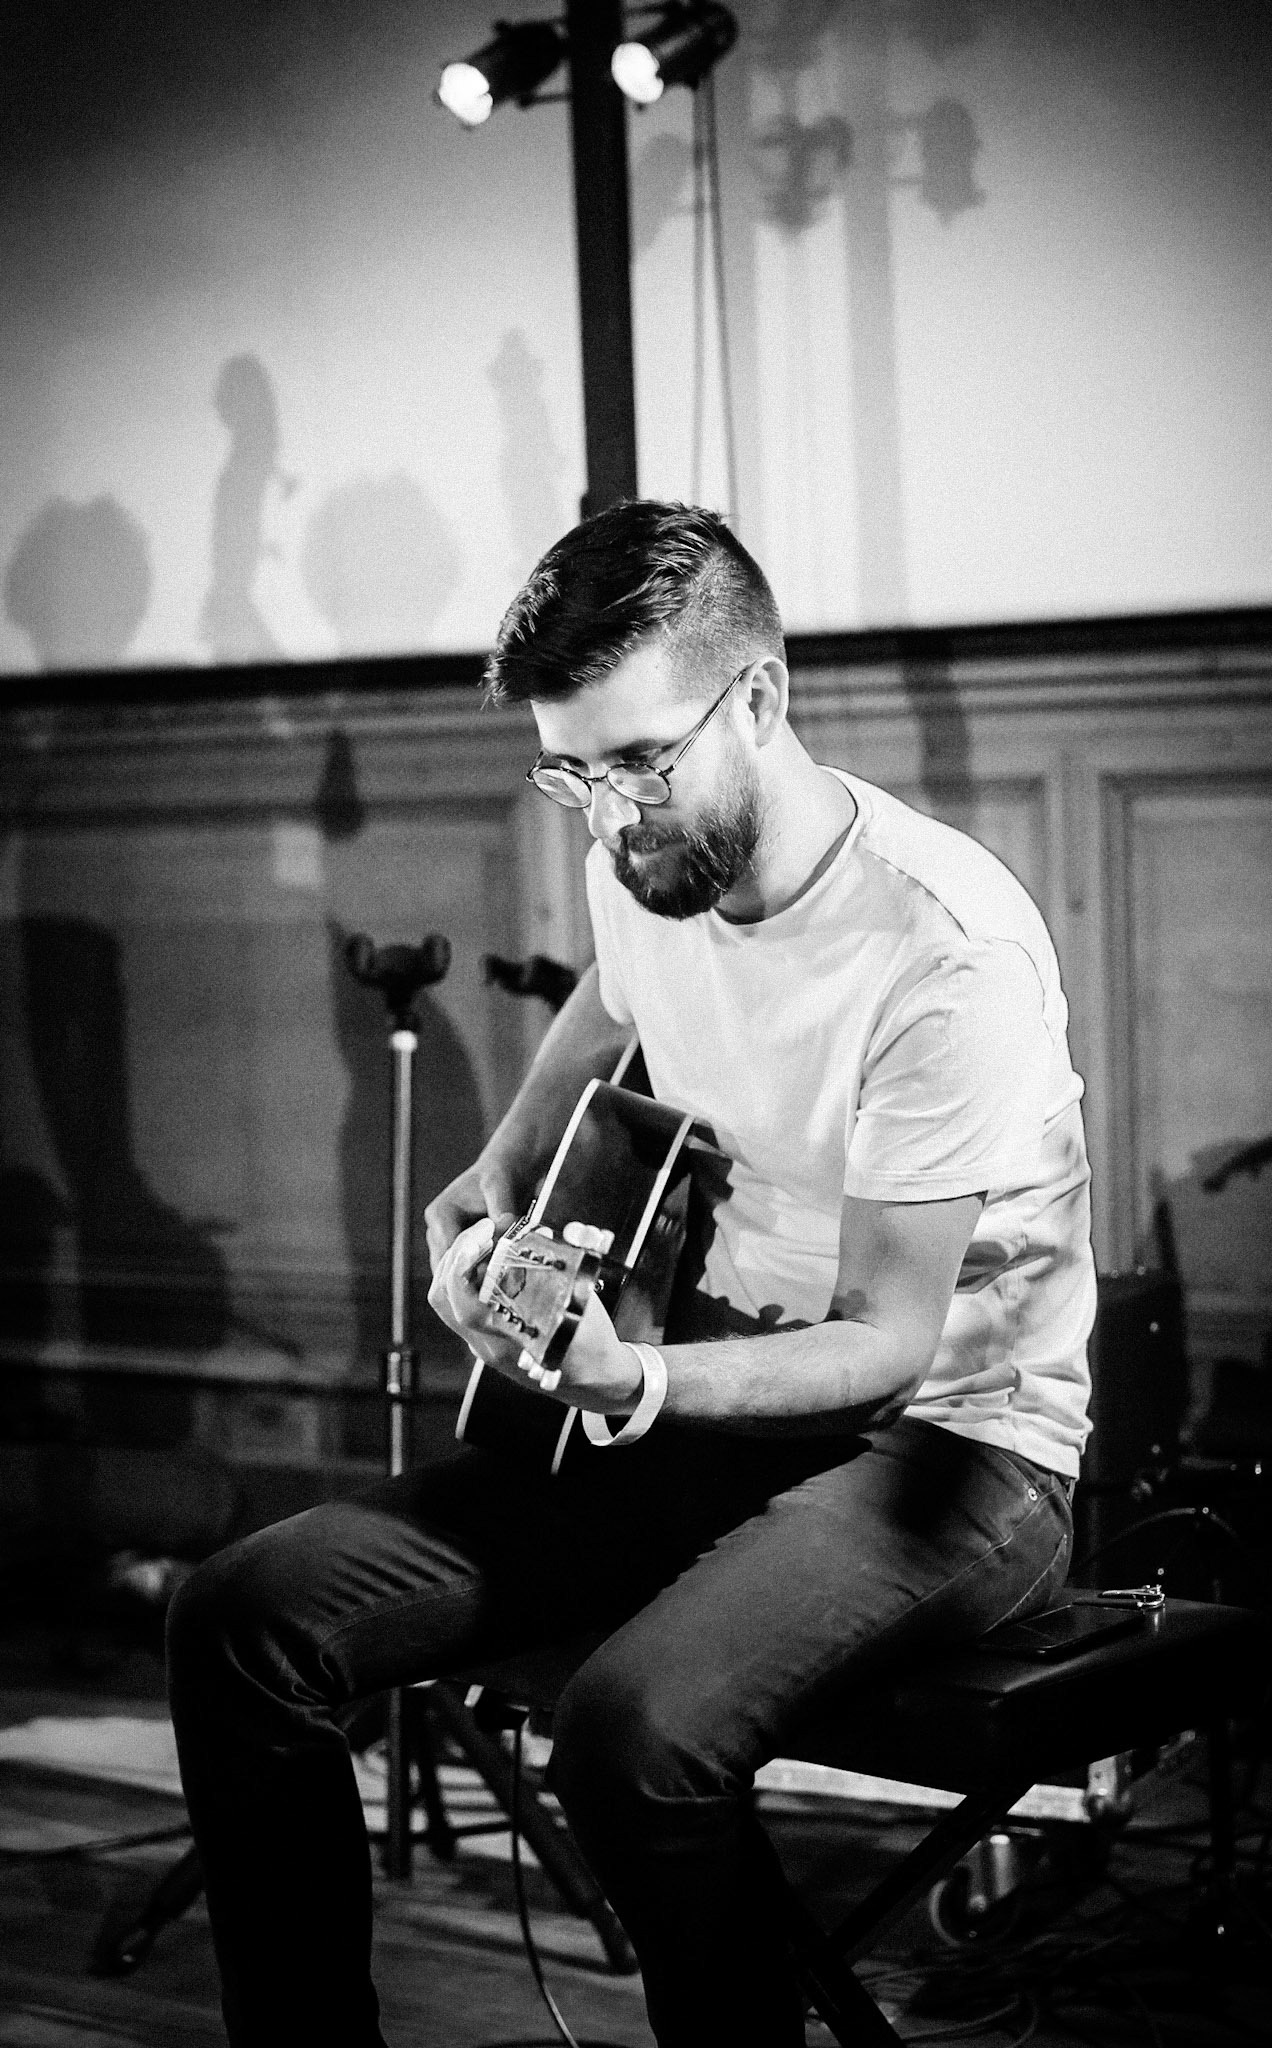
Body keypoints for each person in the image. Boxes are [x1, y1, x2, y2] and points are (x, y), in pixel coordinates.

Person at [167, 500, 1095, 2047]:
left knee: (629, 1731)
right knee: (246, 1612)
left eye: (639, 765)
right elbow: (602, 1018)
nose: (606, 818)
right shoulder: (642, 863)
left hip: (956, 1454)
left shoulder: (944, 951)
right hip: (715, 1411)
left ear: (760, 700)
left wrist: (638, 1379)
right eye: (570, 772)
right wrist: (480, 1198)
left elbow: (883, 1339)